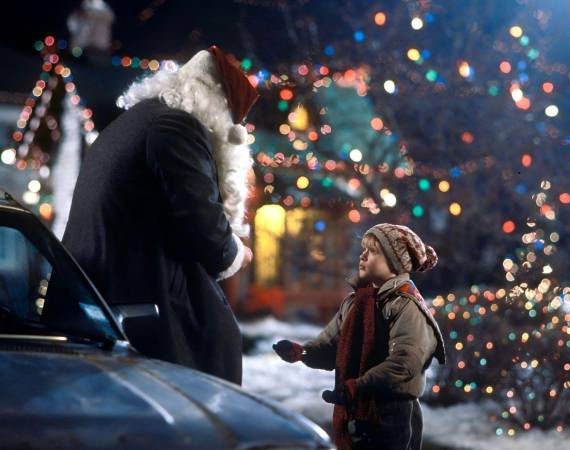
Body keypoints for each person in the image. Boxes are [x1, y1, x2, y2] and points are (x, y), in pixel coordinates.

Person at [62, 45, 258, 385]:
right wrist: (239, 252)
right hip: (142, 320)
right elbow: (206, 233)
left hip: (103, 302)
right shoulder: (177, 128)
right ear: (218, 108)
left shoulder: (138, 120)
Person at [273, 223, 446, 449]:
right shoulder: (355, 302)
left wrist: (358, 386)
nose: (363, 256)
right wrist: (302, 352)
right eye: (364, 249)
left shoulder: (406, 306)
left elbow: (404, 363)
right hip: (353, 408)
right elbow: (331, 344)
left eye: (373, 251)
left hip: (390, 414)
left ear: (396, 262)